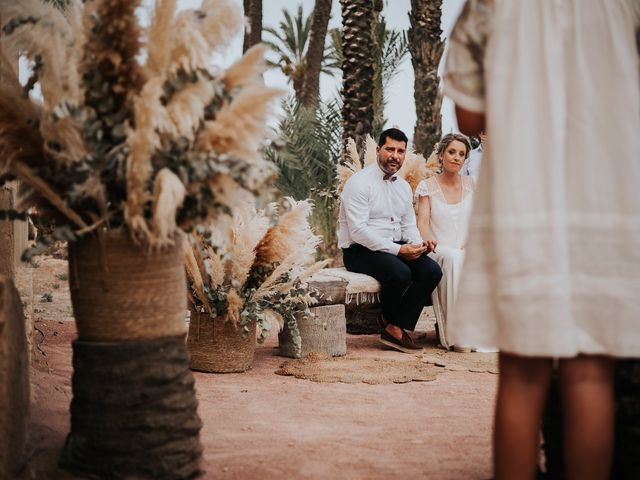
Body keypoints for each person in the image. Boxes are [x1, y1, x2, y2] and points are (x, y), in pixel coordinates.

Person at [444, 1, 640, 479]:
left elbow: (468, 119)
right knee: (592, 370)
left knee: (521, 373)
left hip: (521, 200)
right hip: (608, 200)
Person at [338, 128, 443, 354]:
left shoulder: (404, 187)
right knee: (400, 273)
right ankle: (393, 327)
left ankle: (394, 325)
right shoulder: (359, 183)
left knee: (432, 271)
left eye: (400, 151)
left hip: (394, 247)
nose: (395, 155)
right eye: (390, 149)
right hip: (360, 250)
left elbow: (407, 225)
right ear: (378, 150)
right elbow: (358, 231)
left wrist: (418, 245)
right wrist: (398, 251)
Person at [415, 132, 474, 351]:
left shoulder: (473, 185)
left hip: (467, 247)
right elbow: (422, 222)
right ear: (441, 155)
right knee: (454, 258)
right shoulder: (427, 186)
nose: (456, 157)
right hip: (438, 248)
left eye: (461, 154)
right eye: (452, 152)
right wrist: (429, 240)